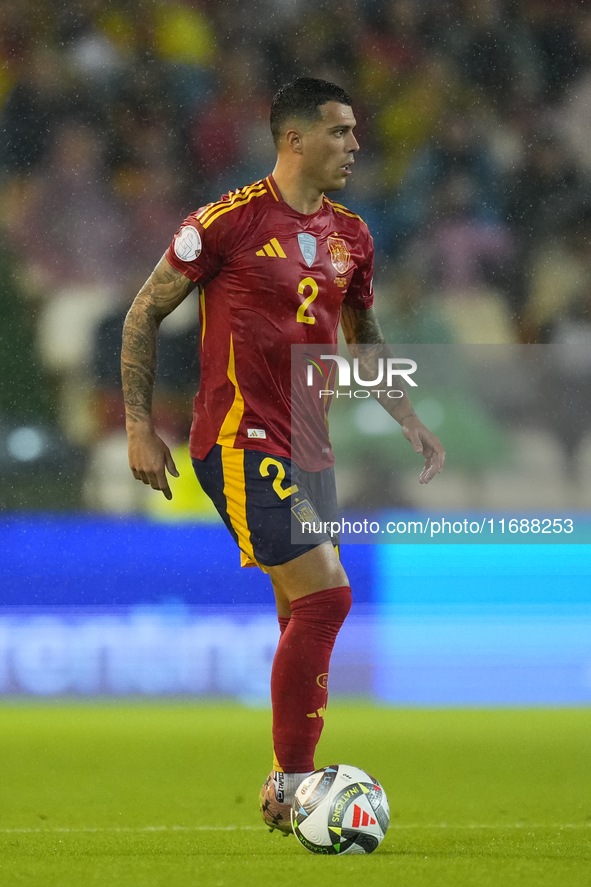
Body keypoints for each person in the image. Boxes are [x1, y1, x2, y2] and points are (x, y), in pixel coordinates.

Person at [121, 77, 445, 835]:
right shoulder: (224, 223)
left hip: (309, 444)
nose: (354, 147)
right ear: (292, 140)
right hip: (239, 439)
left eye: (355, 132)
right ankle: (299, 781)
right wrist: (140, 423)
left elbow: (361, 332)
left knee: (298, 610)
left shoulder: (352, 237)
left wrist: (407, 413)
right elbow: (144, 311)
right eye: (338, 132)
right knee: (328, 597)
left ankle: (282, 787)